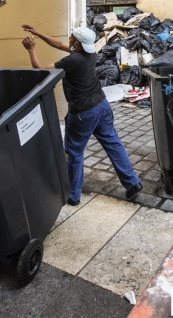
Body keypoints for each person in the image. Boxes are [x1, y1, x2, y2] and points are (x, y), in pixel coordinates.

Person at [21, 24, 143, 205]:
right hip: (102, 106)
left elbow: (41, 72)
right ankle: (132, 183)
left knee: (74, 152)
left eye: (71, 38)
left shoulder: (72, 61)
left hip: (83, 113)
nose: (68, 40)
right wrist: (38, 32)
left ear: (77, 43)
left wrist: (31, 50)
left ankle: (73, 195)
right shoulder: (90, 52)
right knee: (113, 144)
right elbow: (59, 44)